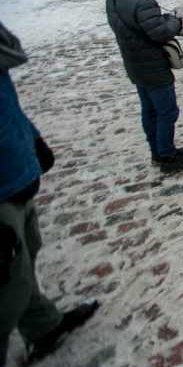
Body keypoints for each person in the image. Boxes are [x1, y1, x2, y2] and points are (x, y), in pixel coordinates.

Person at [0, 21, 100, 363]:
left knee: (24, 262)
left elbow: (7, 106)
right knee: (5, 294)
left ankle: (43, 326)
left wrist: (32, 137)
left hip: (17, 176)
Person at [105, 0, 183, 174]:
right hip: (153, 66)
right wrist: (174, 21)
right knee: (167, 112)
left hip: (134, 64)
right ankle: (167, 157)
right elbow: (160, 33)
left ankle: (158, 150)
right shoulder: (143, 1)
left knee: (149, 111)